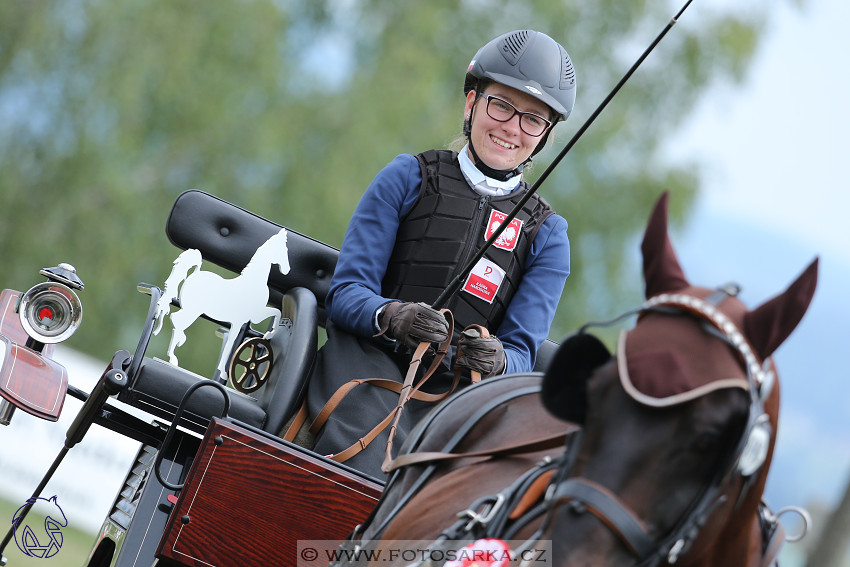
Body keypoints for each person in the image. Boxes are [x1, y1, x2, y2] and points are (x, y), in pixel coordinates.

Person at [304, 29, 575, 479]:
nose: (512, 127)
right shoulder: (406, 177)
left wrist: (497, 359)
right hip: (368, 367)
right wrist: (394, 316)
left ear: (544, 136)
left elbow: (522, 354)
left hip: (459, 400)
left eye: (533, 119)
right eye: (502, 105)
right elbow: (348, 292)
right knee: (366, 463)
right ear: (472, 103)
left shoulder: (548, 236)